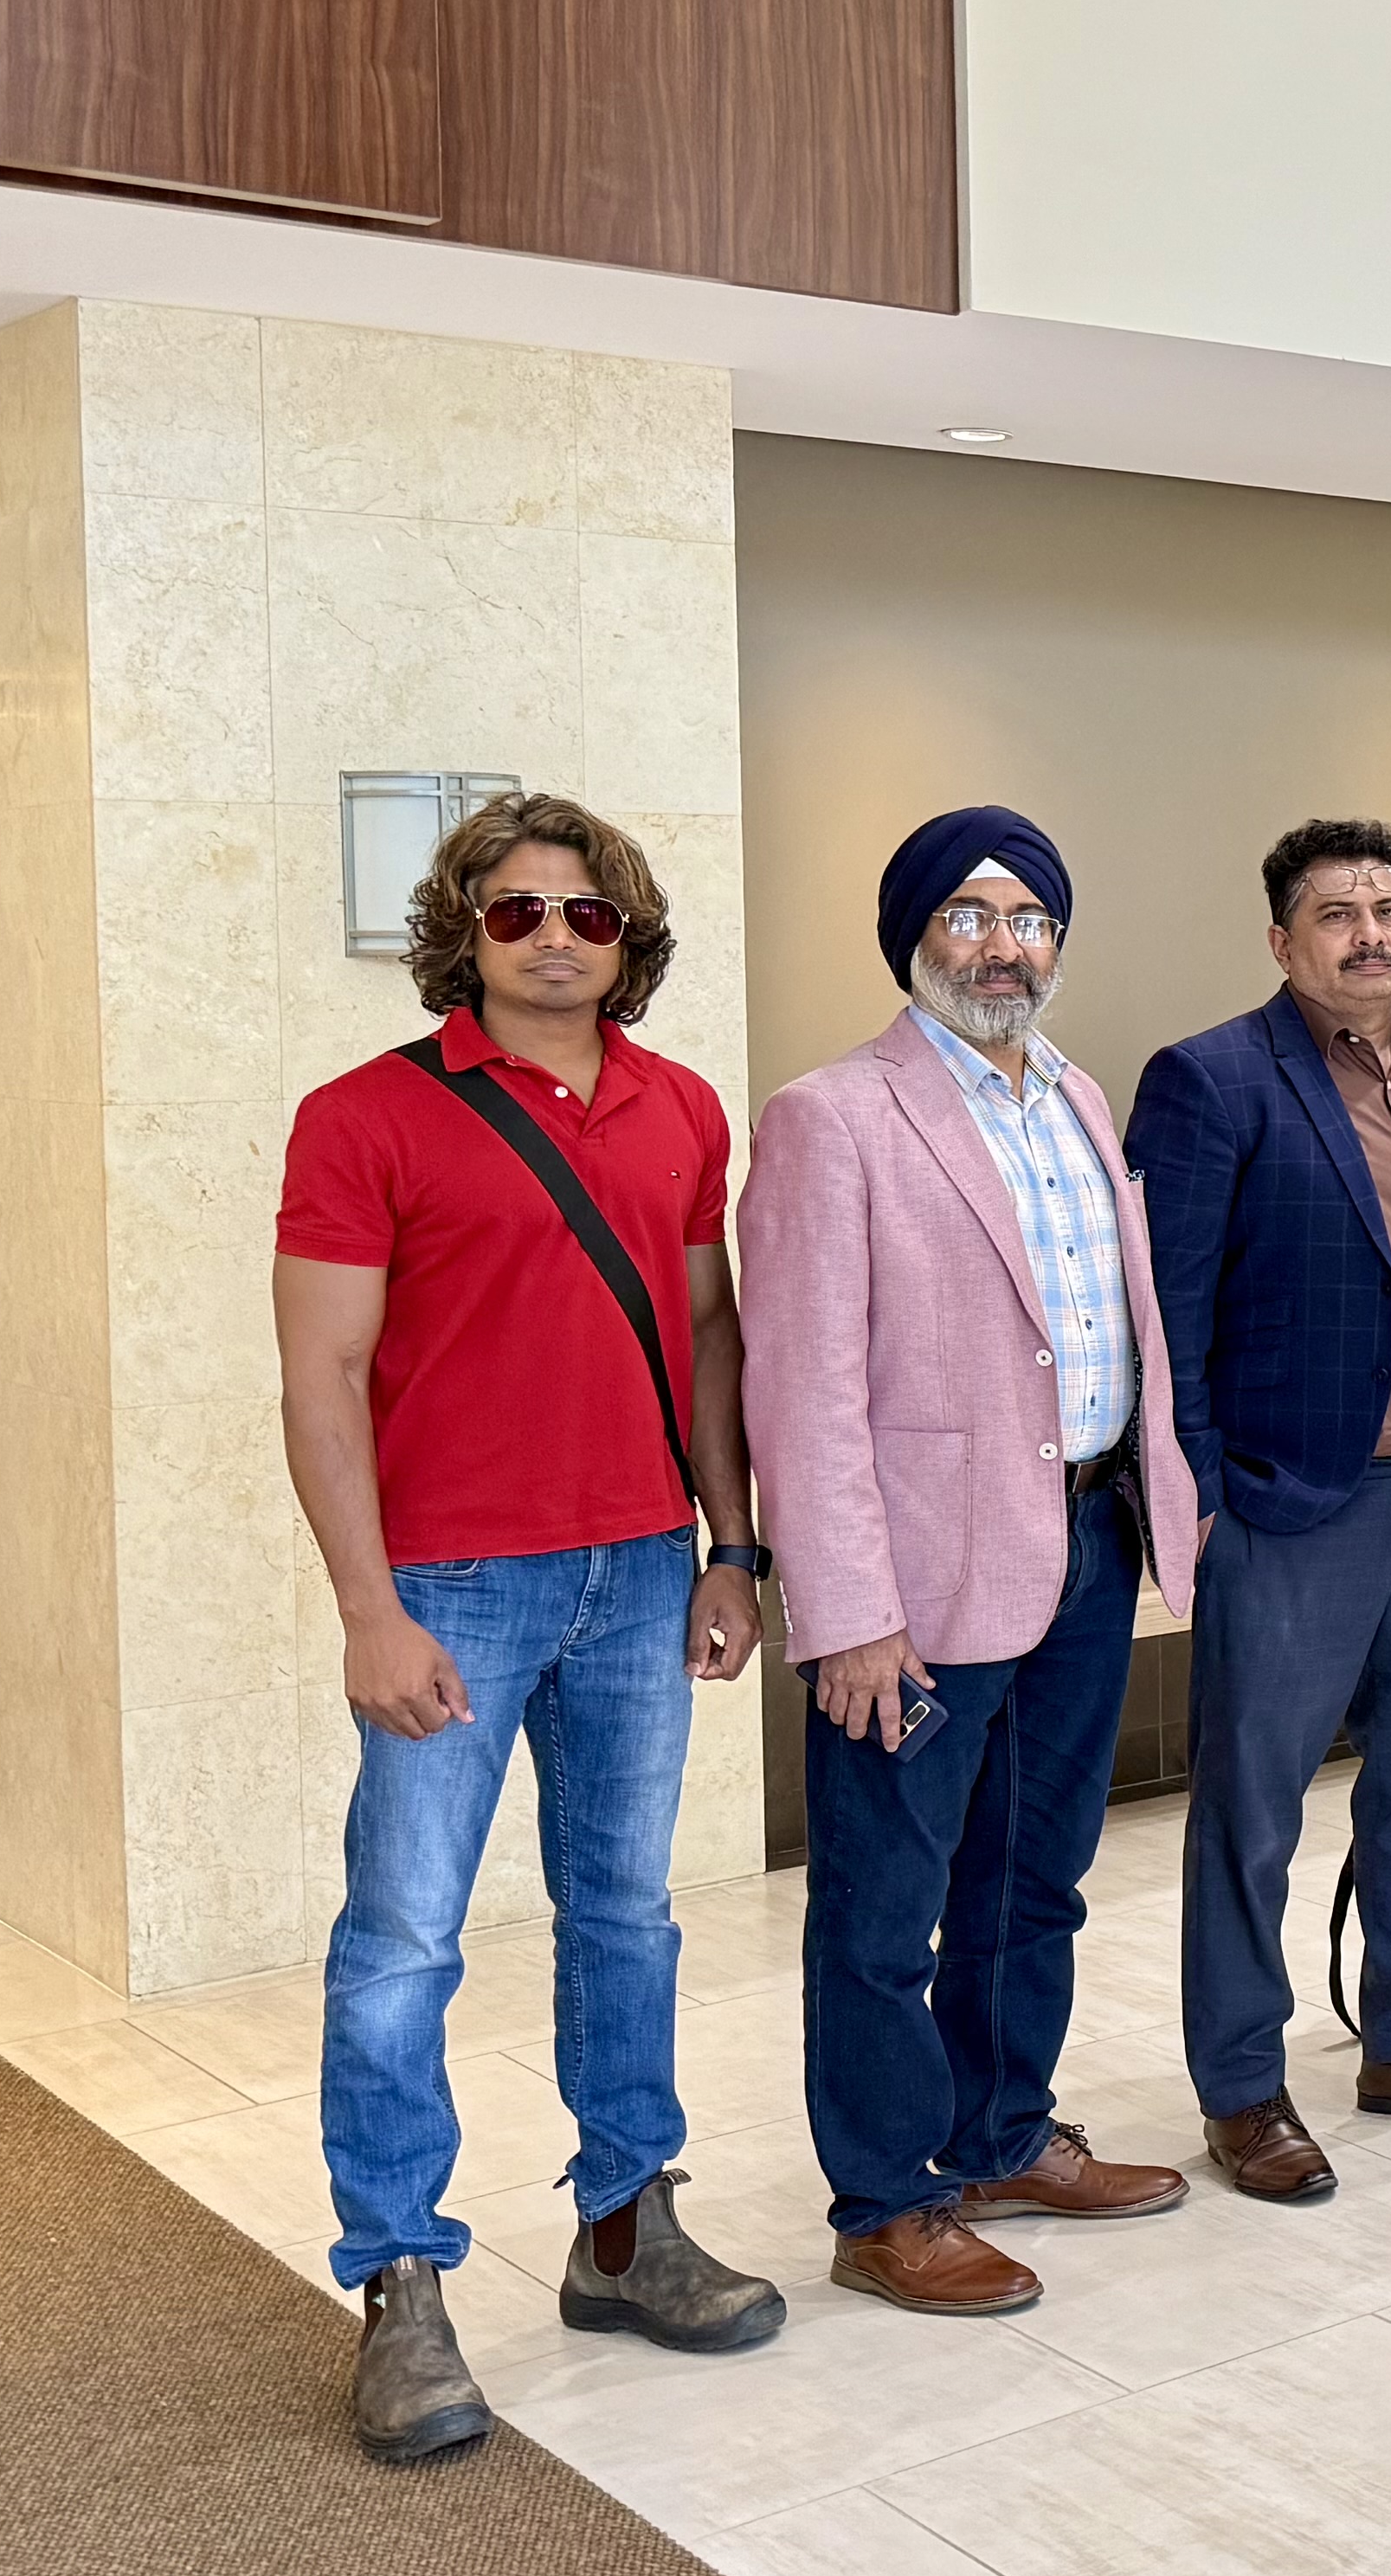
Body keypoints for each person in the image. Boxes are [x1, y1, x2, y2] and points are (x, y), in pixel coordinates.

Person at [274, 793, 786, 2462]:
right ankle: (401, 2279)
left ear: (627, 937)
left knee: (625, 1912)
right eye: (516, 911)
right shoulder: (364, 1116)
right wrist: (369, 1606)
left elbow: (706, 1335)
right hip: (452, 1582)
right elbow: (320, 1373)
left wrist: (731, 1545)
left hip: (640, 1567)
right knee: (405, 1936)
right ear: (465, 932)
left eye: (585, 912)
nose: (554, 937)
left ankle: (625, 2228)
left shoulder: (679, 1105)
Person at [744, 810, 1203, 2315]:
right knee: (884, 1908)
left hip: (1084, 1542)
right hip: (919, 1583)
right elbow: (800, 1388)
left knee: (1034, 1876)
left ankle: (1001, 2133)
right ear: (913, 936)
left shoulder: (1077, 1095)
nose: (1002, 945)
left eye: (1029, 918)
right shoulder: (832, 1116)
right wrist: (846, 1611)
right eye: (968, 912)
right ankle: (886, 2200)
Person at [1126, 820, 1391, 2205]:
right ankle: (1243, 2086)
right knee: (1252, 1809)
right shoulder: (1211, 1080)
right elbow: (1169, 1309)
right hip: (1299, 1507)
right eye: (1337, 913)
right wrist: (1192, 1490)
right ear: (1281, 939)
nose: (1371, 934)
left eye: (1390, 908)